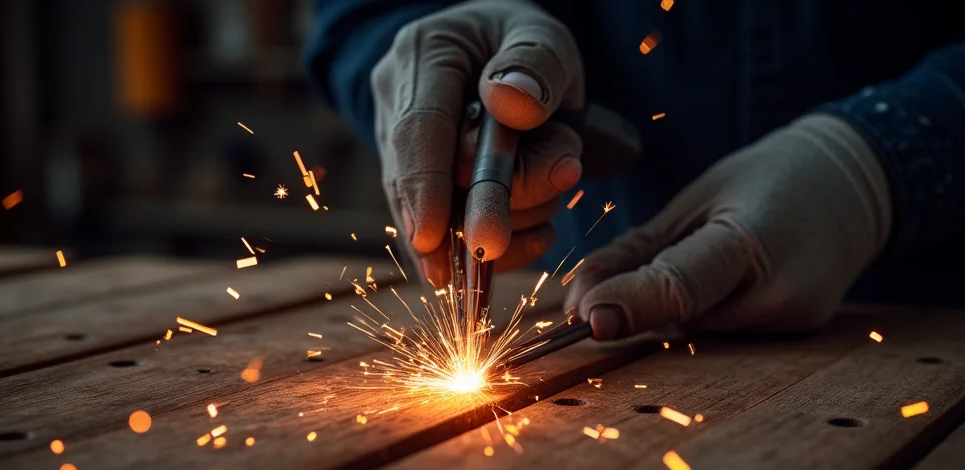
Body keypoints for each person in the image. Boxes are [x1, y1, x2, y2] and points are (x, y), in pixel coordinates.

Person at [303, 0, 965, 340]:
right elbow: (363, 10)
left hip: (923, 314)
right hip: (576, 277)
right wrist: (423, 41)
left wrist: (882, 157)